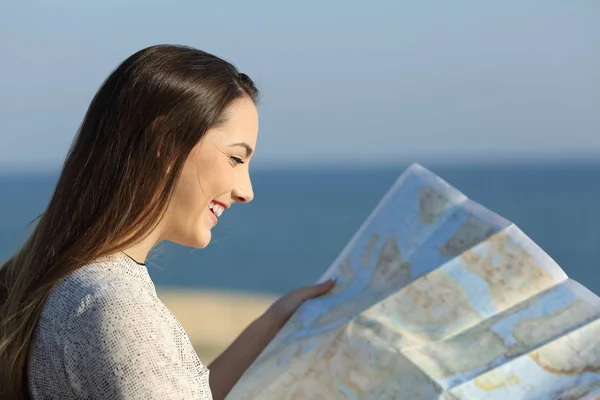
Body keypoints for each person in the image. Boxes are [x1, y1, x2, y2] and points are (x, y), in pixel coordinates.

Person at [0, 44, 335, 400]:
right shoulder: (116, 306)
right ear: (167, 143)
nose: (246, 191)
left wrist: (274, 322)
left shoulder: (79, 284)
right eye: (236, 158)